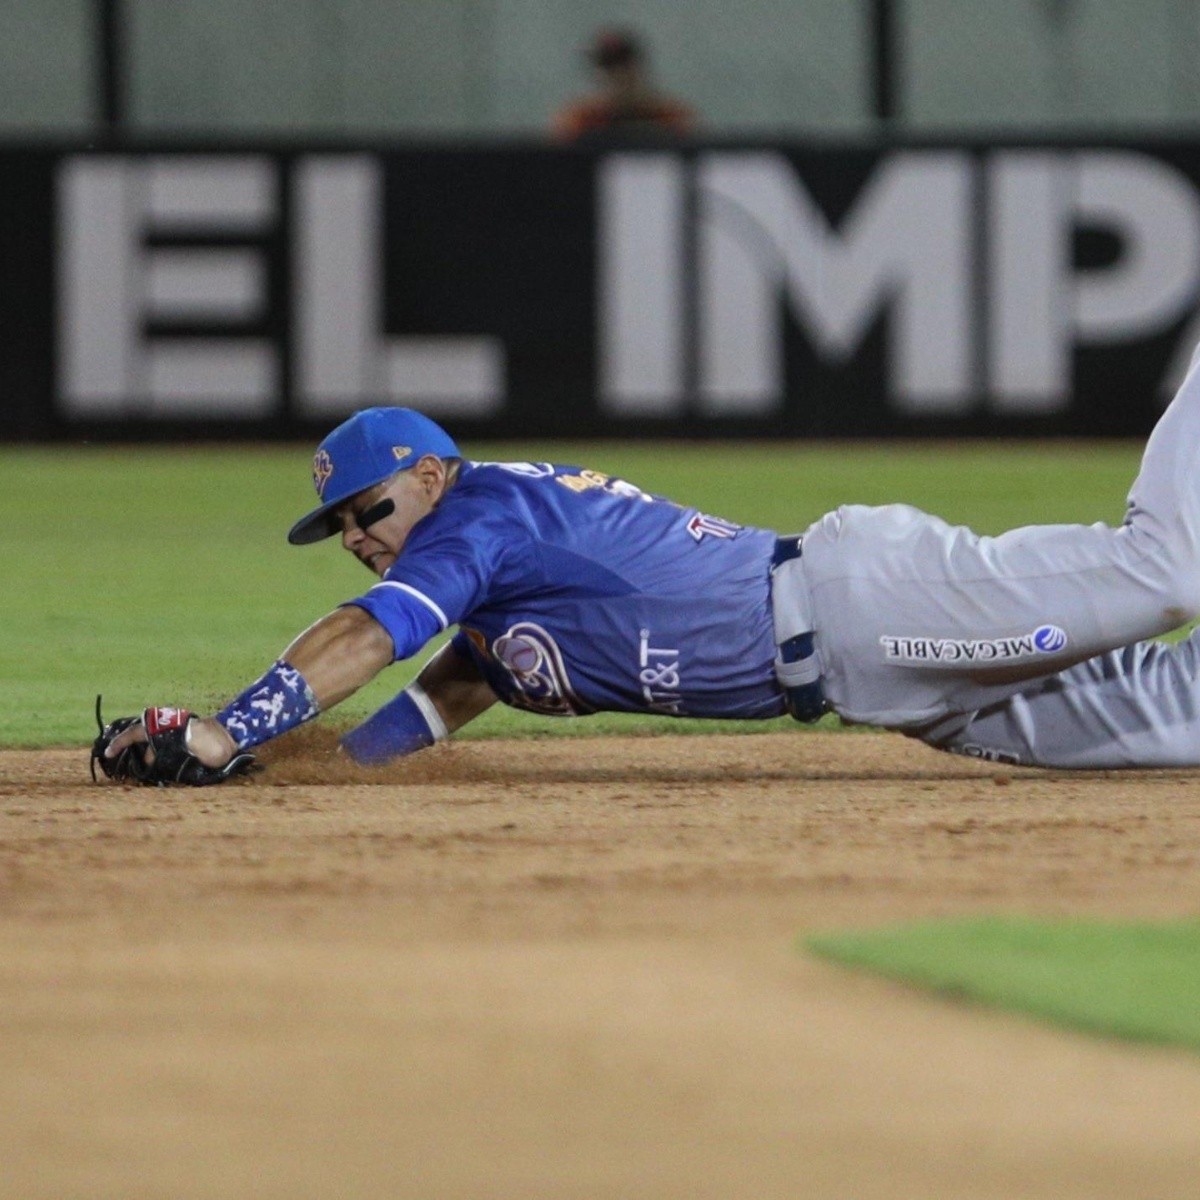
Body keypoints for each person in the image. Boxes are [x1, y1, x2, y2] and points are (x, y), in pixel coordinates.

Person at [101, 349, 1200, 783]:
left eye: (367, 506)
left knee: (1163, 568)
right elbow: (470, 674)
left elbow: (367, 632)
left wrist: (226, 731)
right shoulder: (489, 570)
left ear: (430, 475)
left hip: (868, 604)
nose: (356, 533)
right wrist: (335, 767)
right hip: (880, 681)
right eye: (338, 524)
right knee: (1165, 720)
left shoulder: (480, 516)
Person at [551, 28, 695, 143]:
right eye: (608, 68)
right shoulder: (582, 120)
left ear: (638, 71)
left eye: (622, 67)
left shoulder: (667, 117)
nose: (616, 77)